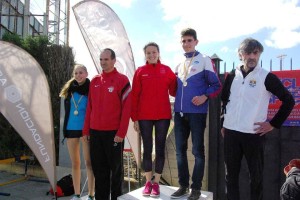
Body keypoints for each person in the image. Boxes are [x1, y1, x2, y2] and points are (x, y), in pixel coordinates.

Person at [220, 38, 295, 200]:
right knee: (230, 176)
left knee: (256, 178)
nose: (252, 56)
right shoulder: (232, 75)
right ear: (241, 55)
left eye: (255, 53)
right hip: (231, 134)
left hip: (253, 135)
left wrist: (273, 124)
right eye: (248, 53)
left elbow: (289, 100)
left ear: (259, 54)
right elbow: (225, 100)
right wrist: (223, 123)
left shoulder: (266, 77)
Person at [171, 28, 221, 200]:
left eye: (189, 40)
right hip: (179, 113)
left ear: (196, 42)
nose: (186, 44)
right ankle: (183, 186)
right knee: (179, 152)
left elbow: (216, 85)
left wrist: (204, 96)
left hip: (197, 114)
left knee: (198, 152)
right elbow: (174, 89)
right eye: (183, 41)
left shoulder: (204, 60)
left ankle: (196, 189)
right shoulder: (178, 62)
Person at [82, 48, 131, 200]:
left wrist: (121, 133)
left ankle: (116, 197)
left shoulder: (122, 80)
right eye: (101, 59)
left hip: (113, 134)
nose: (103, 62)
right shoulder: (95, 81)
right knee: (99, 170)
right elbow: (89, 107)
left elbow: (127, 109)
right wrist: (86, 131)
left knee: (116, 170)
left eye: (106, 59)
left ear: (114, 60)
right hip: (95, 133)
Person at [131, 42, 177, 197]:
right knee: (147, 149)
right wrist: (135, 118)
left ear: (158, 53)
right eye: (148, 53)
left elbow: (174, 89)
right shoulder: (140, 71)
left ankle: (156, 183)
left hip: (163, 115)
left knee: (160, 148)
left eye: (154, 52)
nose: (151, 55)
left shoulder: (167, 70)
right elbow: (134, 95)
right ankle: (148, 182)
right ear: (145, 55)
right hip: (144, 116)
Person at [59, 64, 95, 200]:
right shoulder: (69, 89)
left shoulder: (91, 89)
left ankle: (91, 194)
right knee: (75, 163)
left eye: (81, 72)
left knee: (89, 163)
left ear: (86, 73)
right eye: (76, 73)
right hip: (70, 130)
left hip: (86, 130)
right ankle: (77, 194)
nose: (78, 75)